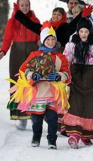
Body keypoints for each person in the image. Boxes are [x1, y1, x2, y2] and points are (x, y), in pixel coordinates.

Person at [9, 21, 71, 149]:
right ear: (43, 41)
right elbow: (23, 69)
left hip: (53, 93)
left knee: (52, 118)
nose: (51, 42)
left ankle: (52, 140)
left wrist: (60, 75)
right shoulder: (35, 55)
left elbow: (67, 73)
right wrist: (32, 75)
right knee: (37, 119)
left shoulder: (60, 57)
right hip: (38, 92)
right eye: (48, 39)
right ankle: (36, 136)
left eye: (53, 39)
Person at [62, 17, 93, 149]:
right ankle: (75, 135)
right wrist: (67, 77)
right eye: (81, 31)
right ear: (77, 32)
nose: (83, 34)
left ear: (90, 32)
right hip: (76, 77)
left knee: (90, 106)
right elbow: (66, 61)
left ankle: (86, 135)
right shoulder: (72, 45)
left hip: (91, 78)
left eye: (86, 31)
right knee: (76, 104)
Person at [0, 0, 40, 130]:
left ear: (30, 5)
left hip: (33, 53)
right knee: (18, 84)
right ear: (18, 5)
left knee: (34, 83)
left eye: (27, 5)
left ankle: (35, 116)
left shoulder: (35, 20)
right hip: (17, 53)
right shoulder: (12, 21)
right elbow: (7, 39)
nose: (24, 7)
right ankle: (21, 117)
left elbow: (41, 37)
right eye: (22, 5)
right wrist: (3, 51)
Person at [14, 5, 93, 53]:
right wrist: (18, 13)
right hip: (46, 53)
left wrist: (82, 15)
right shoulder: (47, 28)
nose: (56, 16)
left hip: (60, 53)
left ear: (63, 16)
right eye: (54, 14)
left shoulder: (65, 27)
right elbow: (31, 25)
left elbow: (74, 23)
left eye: (59, 15)